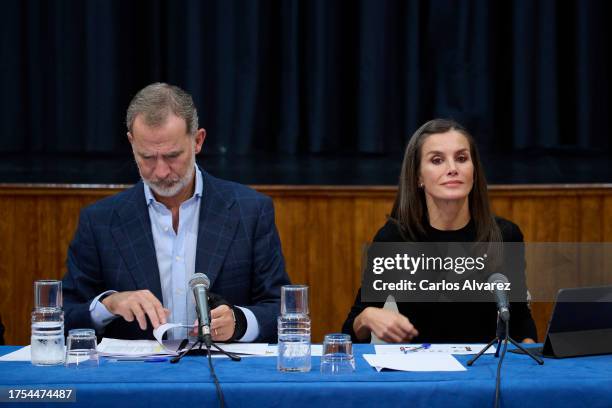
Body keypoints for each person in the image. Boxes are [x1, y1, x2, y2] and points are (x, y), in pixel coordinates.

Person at [62, 83, 290, 342]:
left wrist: (239, 322)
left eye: (172, 156)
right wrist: (109, 304)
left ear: (198, 141)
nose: (160, 172)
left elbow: (282, 310)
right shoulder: (100, 220)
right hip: (133, 379)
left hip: (224, 373)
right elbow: (65, 315)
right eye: (147, 157)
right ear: (131, 143)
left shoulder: (249, 211)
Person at [342, 118, 537, 344]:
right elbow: (349, 334)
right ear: (418, 177)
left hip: (483, 372)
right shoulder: (394, 238)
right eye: (437, 160)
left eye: (462, 158)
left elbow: (521, 321)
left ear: (474, 171)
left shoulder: (505, 235)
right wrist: (367, 317)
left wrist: (527, 353)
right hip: (418, 372)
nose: (452, 169)